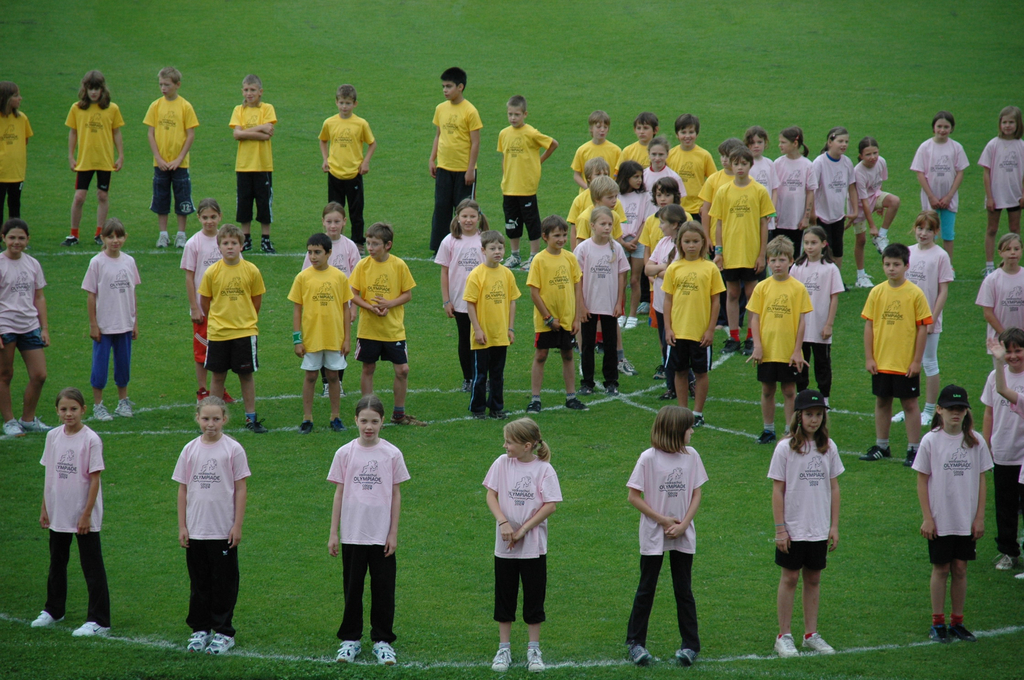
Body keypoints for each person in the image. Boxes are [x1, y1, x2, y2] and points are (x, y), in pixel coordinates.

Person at [328, 394, 410, 666]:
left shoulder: (392, 454)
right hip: (353, 534)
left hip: (381, 535)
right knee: (352, 588)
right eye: (364, 421)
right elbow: (339, 494)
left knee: (383, 589)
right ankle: (350, 639)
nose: (369, 427)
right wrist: (334, 533)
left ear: (382, 421)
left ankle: (382, 641)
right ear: (355, 420)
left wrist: (393, 533)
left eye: (374, 421)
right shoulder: (345, 453)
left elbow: (396, 494)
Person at [625, 406, 707, 668]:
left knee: (684, 589)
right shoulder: (648, 458)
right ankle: (635, 643)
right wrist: (662, 520)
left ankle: (690, 645)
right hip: (654, 534)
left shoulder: (692, 456)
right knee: (646, 588)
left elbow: (696, 493)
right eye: (689, 427)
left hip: (682, 533)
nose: (692, 431)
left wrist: (684, 524)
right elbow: (633, 497)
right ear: (675, 430)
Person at [912, 385, 991, 643]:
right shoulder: (930, 441)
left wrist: (979, 517)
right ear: (939, 410)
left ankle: (957, 621)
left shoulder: (975, 441)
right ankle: (938, 623)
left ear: (966, 411)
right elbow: (922, 480)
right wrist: (927, 517)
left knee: (960, 568)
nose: (955, 413)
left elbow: (982, 480)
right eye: (950, 409)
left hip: (965, 518)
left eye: (960, 409)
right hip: (940, 518)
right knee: (941, 569)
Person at [768, 389, 842, 658]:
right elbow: (778, 490)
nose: (814, 419)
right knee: (789, 578)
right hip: (793, 527)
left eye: (819, 414)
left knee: (814, 578)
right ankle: (784, 636)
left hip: (818, 527)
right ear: (798, 416)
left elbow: (834, 487)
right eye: (809, 414)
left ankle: (811, 634)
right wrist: (780, 529)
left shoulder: (828, 447)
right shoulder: (785, 448)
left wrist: (833, 526)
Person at [173, 396, 250, 655]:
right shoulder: (189, 450)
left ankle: (223, 632)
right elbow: (183, 490)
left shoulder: (233, 450)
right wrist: (182, 526)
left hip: (222, 530)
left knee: (224, 583)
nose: (210, 424)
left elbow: (241, 489)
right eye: (205, 418)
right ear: (197, 418)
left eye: (216, 419)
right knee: (200, 583)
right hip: (196, 530)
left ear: (225, 419)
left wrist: (237, 525)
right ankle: (200, 629)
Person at [484, 417, 562, 673]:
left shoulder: (544, 469)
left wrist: (524, 530)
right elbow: (491, 494)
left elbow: (550, 505)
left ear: (527, 445)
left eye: (509, 442)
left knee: (534, 597)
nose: (504, 446)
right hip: (504, 545)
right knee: (504, 596)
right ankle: (503, 649)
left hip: (533, 548)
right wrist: (504, 523)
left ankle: (534, 650)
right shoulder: (501, 463)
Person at [31, 387, 110, 637]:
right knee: (57, 562)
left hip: (82, 514)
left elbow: (94, 479)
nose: (68, 414)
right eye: (63, 409)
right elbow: (50, 474)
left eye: (73, 409)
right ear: (56, 411)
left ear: (83, 410)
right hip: (58, 512)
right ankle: (54, 609)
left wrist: (86, 514)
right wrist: (45, 507)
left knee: (92, 566)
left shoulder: (91, 440)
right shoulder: (52, 437)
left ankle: (99, 620)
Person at [860, 243, 932, 465]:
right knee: (882, 402)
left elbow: (922, 328)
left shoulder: (915, 294)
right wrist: (869, 357)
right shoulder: (877, 292)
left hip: (904, 362)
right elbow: (869, 326)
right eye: (887, 264)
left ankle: (914, 449)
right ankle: (882, 446)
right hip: (882, 361)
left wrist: (917, 361)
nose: (891, 268)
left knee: (909, 404)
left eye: (896, 264)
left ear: (906, 266)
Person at [349, 222, 424, 425]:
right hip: (369, 329)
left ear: (388, 245)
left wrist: (389, 304)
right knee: (368, 368)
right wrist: (370, 307)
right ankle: (367, 412)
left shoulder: (399, 265)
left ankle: (398, 414)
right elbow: (352, 293)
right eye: (368, 243)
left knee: (403, 370)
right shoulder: (363, 265)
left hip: (393, 329)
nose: (370, 248)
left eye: (375, 244)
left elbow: (407, 294)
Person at [198, 224, 268, 433]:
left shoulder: (251, 270)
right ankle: (214, 418)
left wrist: (246, 319)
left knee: (246, 375)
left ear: (241, 246)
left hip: (244, 332)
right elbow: (205, 301)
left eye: (234, 243)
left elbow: (256, 299)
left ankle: (251, 417)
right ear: (219, 246)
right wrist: (218, 320)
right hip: (219, 333)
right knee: (218, 376)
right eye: (225, 243)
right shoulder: (212, 272)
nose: (230, 247)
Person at [747, 236, 812, 444]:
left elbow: (801, 322)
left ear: (791, 261)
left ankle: (790, 431)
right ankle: (768, 430)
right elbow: (754, 318)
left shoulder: (798, 289)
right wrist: (757, 346)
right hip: (767, 349)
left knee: (789, 390)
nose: (777, 265)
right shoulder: (762, 287)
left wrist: (797, 350)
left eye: (782, 260)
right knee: (767, 389)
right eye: (773, 260)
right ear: (768, 261)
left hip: (788, 350)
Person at [712, 147, 775, 356]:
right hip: (730, 253)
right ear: (730, 165)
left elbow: (764, 224)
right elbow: (719, 223)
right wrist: (719, 251)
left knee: (751, 294)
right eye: (736, 163)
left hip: (751, 252)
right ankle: (733, 337)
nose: (740, 167)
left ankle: (750, 336)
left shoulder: (759, 191)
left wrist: (762, 254)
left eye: (744, 163)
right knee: (732, 293)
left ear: (750, 165)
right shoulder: (723, 191)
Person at [891, 211, 953, 425]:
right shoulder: (907, 252)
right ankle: (909, 407)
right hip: (906, 320)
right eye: (920, 228)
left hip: (927, 321)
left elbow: (943, 291)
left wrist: (932, 319)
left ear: (936, 232)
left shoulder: (940, 256)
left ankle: (928, 410)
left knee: (929, 362)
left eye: (928, 229)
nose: (923, 233)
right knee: (907, 363)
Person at [289, 233, 353, 434]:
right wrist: (297, 340)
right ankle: (307, 418)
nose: (313, 256)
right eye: (310, 252)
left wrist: (347, 338)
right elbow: (297, 310)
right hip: (311, 338)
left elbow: (346, 309)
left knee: (334, 376)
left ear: (329, 253)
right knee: (310, 376)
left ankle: (335, 417)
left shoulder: (339, 277)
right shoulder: (302, 277)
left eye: (317, 252)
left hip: (334, 337)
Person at [663, 221, 724, 422]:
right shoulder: (674, 268)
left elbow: (716, 301)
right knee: (680, 372)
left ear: (703, 242)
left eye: (695, 241)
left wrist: (710, 330)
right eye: (687, 241)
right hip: (678, 332)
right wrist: (668, 329)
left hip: (700, 333)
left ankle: (697, 413)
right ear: (680, 243)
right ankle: (683, 413)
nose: (691, 245)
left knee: (701, 373)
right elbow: (668, 300)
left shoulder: (710, 268)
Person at [81, 218, 140, 421]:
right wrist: (93, 324)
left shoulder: (129, 261)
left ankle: (123, 402)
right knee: (100, 367)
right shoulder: (97, 263)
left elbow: (132, 292)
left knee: (123, 365)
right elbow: (91, 295)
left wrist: (134, 322)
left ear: (125, 237)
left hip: (124, 324)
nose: (115, 240)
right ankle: (98, 405)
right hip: (104, 326)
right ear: (103, 238)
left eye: (119, 236)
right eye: (111, 237)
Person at [302, 203, 361, 399]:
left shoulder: (349, 246)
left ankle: (338, 382)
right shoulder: (316, 247)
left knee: (339, 343)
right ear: (323, 222)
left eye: (337, 221)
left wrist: (353, 307)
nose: (333, 226)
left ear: (344, 222)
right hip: (320, 305)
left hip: (342, 305)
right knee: (321, 341)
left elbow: (356, 279)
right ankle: (326, 383)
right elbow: (305, 277)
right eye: (329, 221)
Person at [526, 216, 584, 413]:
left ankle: (571, 397)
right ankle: (535, 399)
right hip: (546, 321)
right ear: (545, 237)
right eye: (557, 235)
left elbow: (577, 287)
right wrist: (548, 318)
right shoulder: (539, 260)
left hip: (567, 319)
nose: (562, 239)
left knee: (568, 354)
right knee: (541, 355)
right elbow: (534, 293)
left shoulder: (570, 258)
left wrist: (576, 318)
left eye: (564, 235)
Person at [181, 198, 235, 405]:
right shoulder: (193, 243)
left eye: (213, 217)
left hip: (225, 307)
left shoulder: (226, 241)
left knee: (221, 350)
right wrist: (194, 307)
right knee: (202, 350)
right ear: (198, 218)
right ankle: (203, 390)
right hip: (203, 309)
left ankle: (219, 389)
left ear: (220, 217)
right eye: (205, 217)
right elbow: (189, 277)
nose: (209, 221)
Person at [62, 70, 124, 247]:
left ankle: (100, 234)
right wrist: (71, 156)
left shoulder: (112, 108)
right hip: (85, 161)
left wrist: (120, 156)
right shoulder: (77, 108)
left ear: (102, 89)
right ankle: (74, 234)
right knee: (79, 197)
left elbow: (116, 132)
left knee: (102, 195)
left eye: (97, 89)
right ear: (85, 89)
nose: (94, 92)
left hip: (104, 160)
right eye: (91, 89)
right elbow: (73, 132)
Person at [1, 218, 50, 436]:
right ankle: (9, 421)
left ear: (28, 239)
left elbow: (39, 297)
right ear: (3, 238)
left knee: (39, 375)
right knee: (5, 374)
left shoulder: (33, 264)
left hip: (29, 325)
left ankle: (28, 419)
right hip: (5, 325)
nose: (16, 242)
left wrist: (44, 328)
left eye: (21, 238)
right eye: (12, 237)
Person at [464, 230, 520, 419]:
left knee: (497, 374)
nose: (497, 252)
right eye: (492, 248)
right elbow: (470, 304)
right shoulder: (477, 275)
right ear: (483, 250)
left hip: (500, 334)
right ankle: (477, 408)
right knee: (480, 375)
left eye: (500, 248)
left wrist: (510, 328)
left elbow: (512, 301)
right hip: (483, 335)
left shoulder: (507, 274)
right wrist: (477, 329)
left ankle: (496, 407)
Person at [498, 95, 558, 270]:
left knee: (531, 222)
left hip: (526, 187)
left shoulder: (531, 133)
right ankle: (515, 255)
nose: (513, 118)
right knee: (511, 222)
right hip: (509, 187)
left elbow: (553, 144)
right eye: (510, 114)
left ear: (525, 114)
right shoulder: (504, 134)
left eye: (517, 114)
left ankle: (533, 256)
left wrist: (539, 161)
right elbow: (504, 156)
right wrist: (506, 175)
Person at [576, 206, 629, 396]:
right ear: (592, 225)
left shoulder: (616, 248)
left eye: (610, 224)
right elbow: (577, 278)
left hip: (609, 304)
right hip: (589, 305)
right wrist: (581, 305)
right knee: (587, 345)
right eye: (603, 224)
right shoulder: (583, 248)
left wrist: (618, 302)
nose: (607, 227)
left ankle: (611, 382)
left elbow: (622, 276)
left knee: (610, 344)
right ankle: (587, 382)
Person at [436, 198, 487, 392]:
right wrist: (446, 300)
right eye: (464, 216)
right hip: (460, 301)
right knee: (465, 339)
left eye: (472, 216)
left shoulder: (485, 240)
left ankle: (482, 377)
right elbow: (444, 272)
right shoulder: (449, 241)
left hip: (482, 300)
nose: (468, 220)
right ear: (457, 217)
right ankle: (468, 378)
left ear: (478, 218)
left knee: (484, 338)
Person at [144, 67, 199, 249]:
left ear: (177, 85)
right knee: (161, 197)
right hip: (160, 163)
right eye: (161, 84)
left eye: (167, 85)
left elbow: (190, 134)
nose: (163, 88)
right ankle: (163, 234)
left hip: (179, 164)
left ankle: (181, 234)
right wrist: (158, 158)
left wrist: (179, 158)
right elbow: (150, 134)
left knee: (182, 197)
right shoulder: (155, 106)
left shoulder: (185, 106)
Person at [429, 67, 482, 252]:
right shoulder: (440, 109)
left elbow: (475, 143)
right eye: (443, 86)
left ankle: (466, 244)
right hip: (444, 167)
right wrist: (432, 159)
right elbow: (438, 135)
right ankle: (440, 247)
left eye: (449, 86)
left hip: (464, 171)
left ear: (460, 87)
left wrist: (470, 169)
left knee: (465, 210)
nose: (445, 90)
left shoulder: (470, 111)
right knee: (441, 206)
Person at [984, 332, 1024, 576]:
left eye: (1018, 350)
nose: (1013, 356)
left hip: (1023, 455)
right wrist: (987, 443)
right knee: (1005, 506)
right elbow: (989, 411)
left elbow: (1003, 390)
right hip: (1004, 451)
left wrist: (998, 361)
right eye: (1008, 351)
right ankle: (1009, 551)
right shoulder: (994, 377)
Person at [790, 227, 843, 405]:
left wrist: (829, 324)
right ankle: (801, 396)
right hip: (800, 327)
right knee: (800, 362)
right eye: (806, 243)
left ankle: (825, 399)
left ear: (823, 244)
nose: (809, 247)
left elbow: (834, 297)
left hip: (820, 325)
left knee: (822, 363)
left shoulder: (830, 269)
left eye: (813, 243)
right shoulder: (797, 267)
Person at [319, 84, 376, 249]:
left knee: (356, 211)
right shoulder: (330, 122)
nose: (344, 106)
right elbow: (323, 140)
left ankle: (358, 243)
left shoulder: (360, 124)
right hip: (335, 173)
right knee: (334, 211)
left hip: (354, 173)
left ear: (355, 104)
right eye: (342, 103)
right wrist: (325, 159)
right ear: (336, 102)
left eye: (348, 103)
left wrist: (365, 162)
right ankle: (334, 241)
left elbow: (372, 143)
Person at [911, 111, 969, 260]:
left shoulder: (956, 148)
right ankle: (929, 261)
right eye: (939, 126)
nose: (942, 130)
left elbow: (960, 172)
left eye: (946, 127)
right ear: (933, 127)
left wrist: (949, 196)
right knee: (929, 232)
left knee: (948, 234)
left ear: (952, 128)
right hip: (930, 199)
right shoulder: (925, 147)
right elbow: (920, 173)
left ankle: (947, 265)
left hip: (949, 199)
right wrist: (931, 197)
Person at [229, 74, 277, 253]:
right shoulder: (238, 110)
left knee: (264, 202)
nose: (249, 93)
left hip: (263, 165)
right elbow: (236, 134)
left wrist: (245, 132)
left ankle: (265, 239)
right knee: (244, 202)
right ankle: (246, 238)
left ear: (260, 92)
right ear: (242, 91)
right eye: (246, 90)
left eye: (253, 90)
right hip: (243, 165)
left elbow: (267, 135)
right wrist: (259, 128)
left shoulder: (267, 109)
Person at [645, 206, 686, 401]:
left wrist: (660, 271)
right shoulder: (663, 242)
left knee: (675, 346)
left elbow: (677, 275)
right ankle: (675, 385)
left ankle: (682, 384)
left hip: (677, 306)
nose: (660, 226)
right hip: (660, 304)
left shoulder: (683, 246)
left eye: (663, 223)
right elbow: (647, 269)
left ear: (675, 224)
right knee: (666, 347)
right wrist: (664, 267)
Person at [980, 106, 1024, 276]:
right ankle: (989, 266)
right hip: (996, 195)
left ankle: (1013, 263)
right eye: (1004, 122)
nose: (1007, 126)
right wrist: (989, 197)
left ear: (1017, 124)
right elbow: (986, 172)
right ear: (1000, 124)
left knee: (1014, 229)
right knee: (992, 229)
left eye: (1011, 122)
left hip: (1015, 195)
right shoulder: (993, 145)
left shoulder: (1021, 146)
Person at [810, 127, 857, 271]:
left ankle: (836, 279)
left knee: (838, 250)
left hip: (838, 215)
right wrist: (812, 213)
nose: (844, 144)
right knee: (824, 251)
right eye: (840, 141)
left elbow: (851, 187)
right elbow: (812, 190)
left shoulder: (847, 162)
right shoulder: (819, 163)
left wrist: (854, 211)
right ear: (830, 142)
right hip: (822, 216)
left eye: (846, 141)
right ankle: (823, 278)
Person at [853, 137, 901, 265]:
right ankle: (861, 274)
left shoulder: (881, 162)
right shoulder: (858, 172)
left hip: (874, 196)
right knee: (861, 240)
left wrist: (881, 205)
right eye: (868, 154)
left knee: (894, 201)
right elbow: (864, 201)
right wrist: (872, 226)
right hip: (860, 205)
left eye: (875, 153)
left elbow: (879, 183)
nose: (873, 157)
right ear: (861, 156)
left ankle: (881, 236)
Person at [615, 161, 651, 327]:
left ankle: (632, 315)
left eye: (641, 176)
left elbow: (645, 221)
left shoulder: (645, 196)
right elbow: (613, 221)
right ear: (625, 177)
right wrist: (622, 242)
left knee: (635, 280)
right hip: (619, 241)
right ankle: (620, 313)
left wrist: (635, 240)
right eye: (635, 177)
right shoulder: (616, 196)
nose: (639, 180)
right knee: (621, 280)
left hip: (638, 241)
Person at [772, 126, 816, 252]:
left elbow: (810, 192)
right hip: (779, 220)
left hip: (797, 221)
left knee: (794, 254)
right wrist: (773, 214)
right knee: (777, 253)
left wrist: (806, 217)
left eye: (783, 142)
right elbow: (773, 190)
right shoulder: (778, 164)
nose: (780, 145)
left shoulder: (807, 165)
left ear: (795, 144)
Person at [976, 232, 1024, 344]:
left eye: (1016, 249)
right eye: (1008, 249)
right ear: (1000, 253)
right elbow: (988, 313)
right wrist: (1005, 335)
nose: (1012, 252)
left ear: (1021, 250)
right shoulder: (991, 280)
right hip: (999, 341)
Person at [667, 114, 717, 219]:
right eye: (683, 132)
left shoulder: (704, 155)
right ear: (677, 134)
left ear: (697, 134)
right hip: (676, 208)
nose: (687, 136)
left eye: (691, 132)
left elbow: (714, 182)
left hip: (697, 209)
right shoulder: (670, 155)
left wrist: (706, 205)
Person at [0, 81, 32, 222]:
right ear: (6, 98)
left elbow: (25, 140)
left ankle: (14, 233)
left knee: (15, 206)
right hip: (1, 173)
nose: (20, 98)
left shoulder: (21, 118)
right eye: (16, 95)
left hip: (16, 172)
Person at [571, 110, 620, 193]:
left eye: (605, 127)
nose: (602, 130)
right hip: (588, 193)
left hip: (608, 193)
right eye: (598, 127)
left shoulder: (616, 150)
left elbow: (618, 174)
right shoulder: (582, 150)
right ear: (591, 128)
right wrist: (587, 187)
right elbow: (577, 175)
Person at [572, 174, 625, 248]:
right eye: (610, 197)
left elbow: (617, 243)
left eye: (616, 196)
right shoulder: (585, 218)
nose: (614, 201)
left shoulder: (615, 216)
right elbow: (580, 247)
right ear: (597, 199)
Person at [745, 125, 779, 222]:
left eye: (759, 142)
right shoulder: (745, 164)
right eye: (752, 143)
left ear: (765, 143)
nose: (756, 146)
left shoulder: (769, 163)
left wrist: (771, 210)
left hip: (767, 213)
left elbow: (774, 190)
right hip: (751, 213)